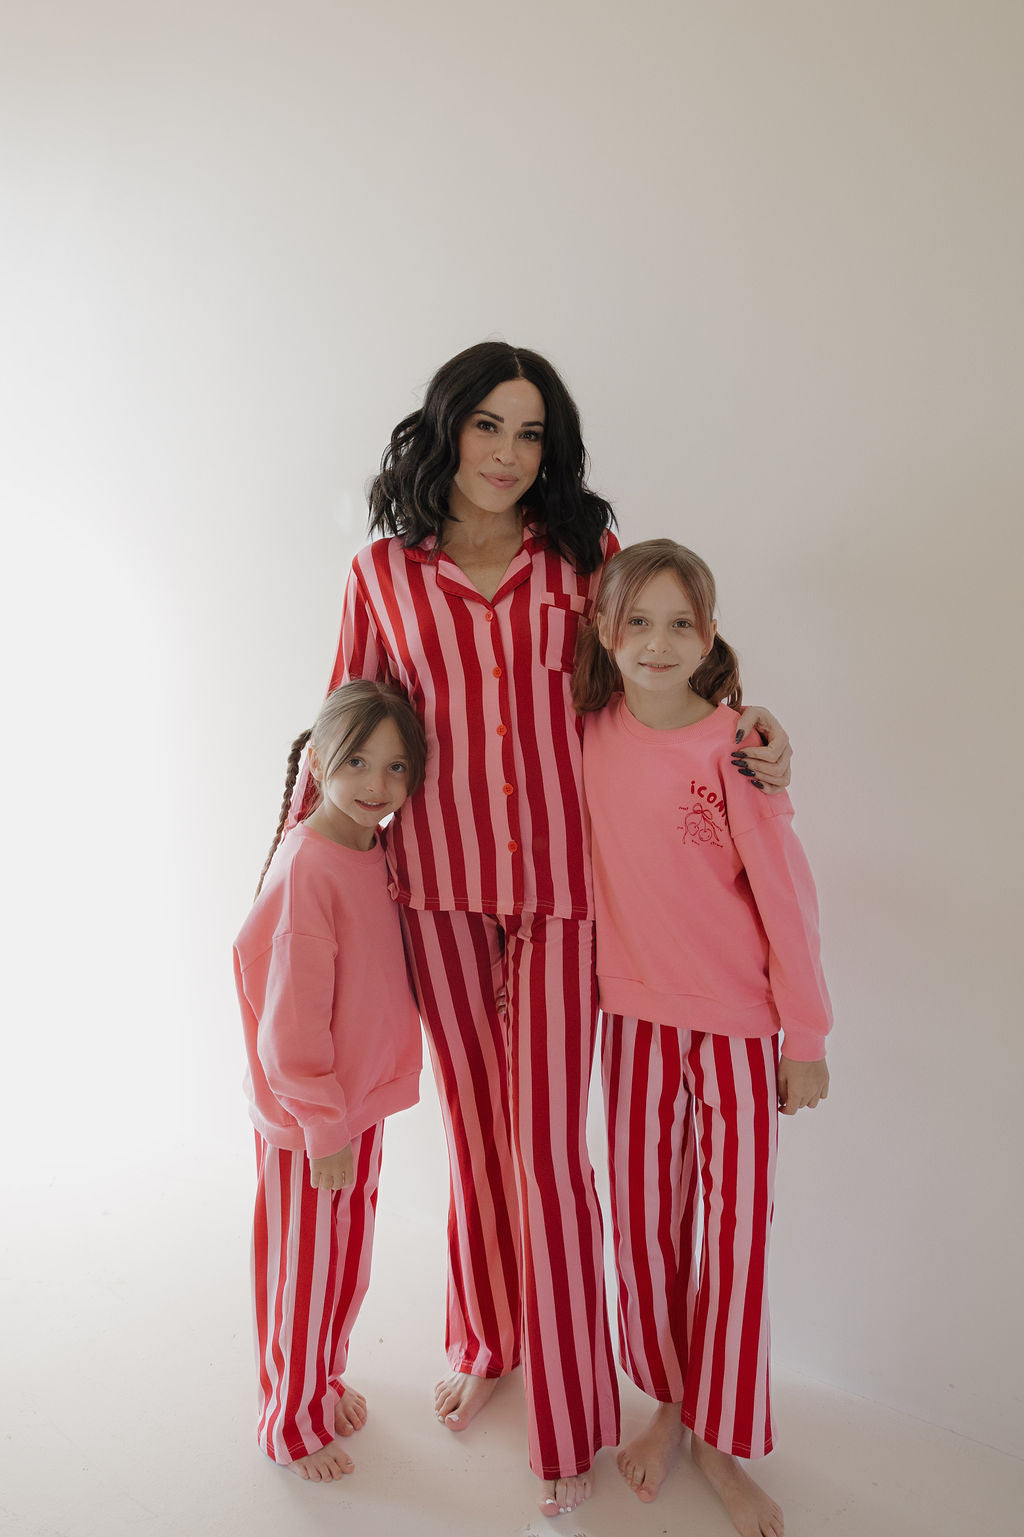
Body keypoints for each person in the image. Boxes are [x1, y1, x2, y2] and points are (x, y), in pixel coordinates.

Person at [292, 342, 793, 1514]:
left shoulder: (585, 558)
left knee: (552, 1160)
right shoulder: (383, 574)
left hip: (572, 900)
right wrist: (298, 864)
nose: (508, 456)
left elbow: (660, 677)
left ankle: (569, 1421)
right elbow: (345, 723)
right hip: (442, 892)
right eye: (487, 428)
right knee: (477, 1137)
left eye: (530, 435)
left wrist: (752, 736)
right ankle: (485, 1339)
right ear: (444, 429)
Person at [572, 538, 831, 1537]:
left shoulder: (734, 747)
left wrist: (802, 1034)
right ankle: (670, 1403)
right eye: (636, 620)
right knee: (642, 1230)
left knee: (733, 1237)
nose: (657, 641)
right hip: (630, 1024)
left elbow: (787, 896)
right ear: (604, 630)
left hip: (732, 1031)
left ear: (710, 634)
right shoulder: (584, 738)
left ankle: (719, 1440)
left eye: (681, 621)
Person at [234, 680, 427, 1481]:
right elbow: (292, 1019)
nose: (377, 785)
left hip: (356, 1103)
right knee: (305, 1269)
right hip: (317, 1117)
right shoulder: (310, 865)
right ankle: (290, 1419)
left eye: (395, 767)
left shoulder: (367, 847)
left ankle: (320, 1377)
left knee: (343, 1261)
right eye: (356, 761)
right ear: (317, 761)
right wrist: (321, 1122)